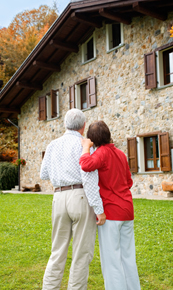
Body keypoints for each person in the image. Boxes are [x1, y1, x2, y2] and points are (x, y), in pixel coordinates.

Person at [40, 109, 106, 290]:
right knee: (81, 253)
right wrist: (99, 209)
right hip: (80, 196)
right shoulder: (85, 145)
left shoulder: (53, 145)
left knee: (57, 251)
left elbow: (43, 173)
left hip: (59, 197)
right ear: (83, 126)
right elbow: (89, 179)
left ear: (65, 124)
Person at [79, 121, 141, 290]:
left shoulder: (101, 153)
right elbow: (129, 182)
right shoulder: (120, 153)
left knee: (111, 259)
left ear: (92, 139)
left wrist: (85, 148)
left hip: (111, 214)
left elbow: (86, 165)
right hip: (127, 210)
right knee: (128, 256)